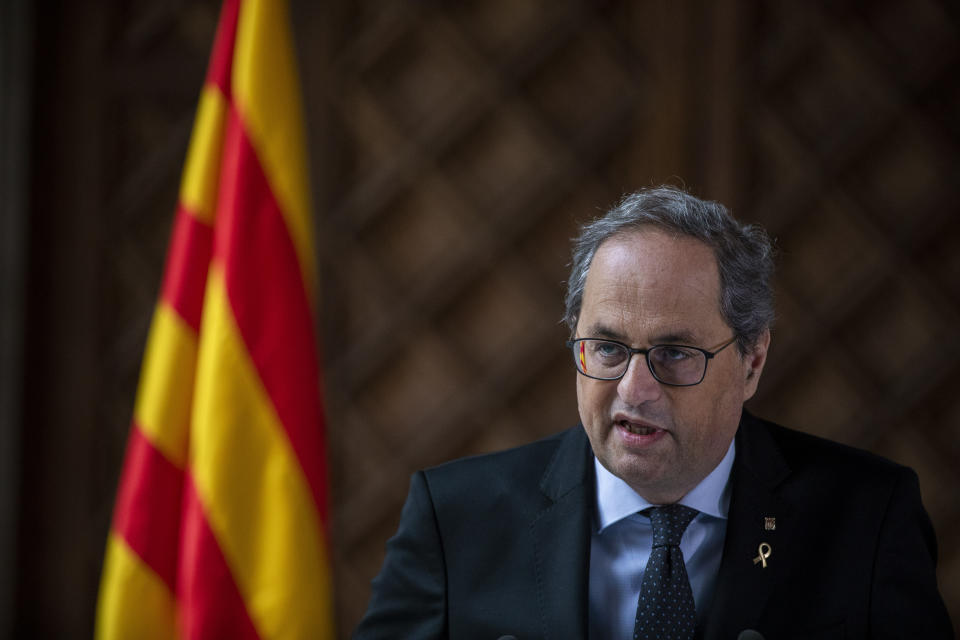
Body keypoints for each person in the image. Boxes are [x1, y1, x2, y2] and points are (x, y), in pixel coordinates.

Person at [354, 186, 953, 639]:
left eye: (674, 353)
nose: (634, 389)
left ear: (752, 363)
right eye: (609, 348)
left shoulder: (869, 518)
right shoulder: (454, 519)